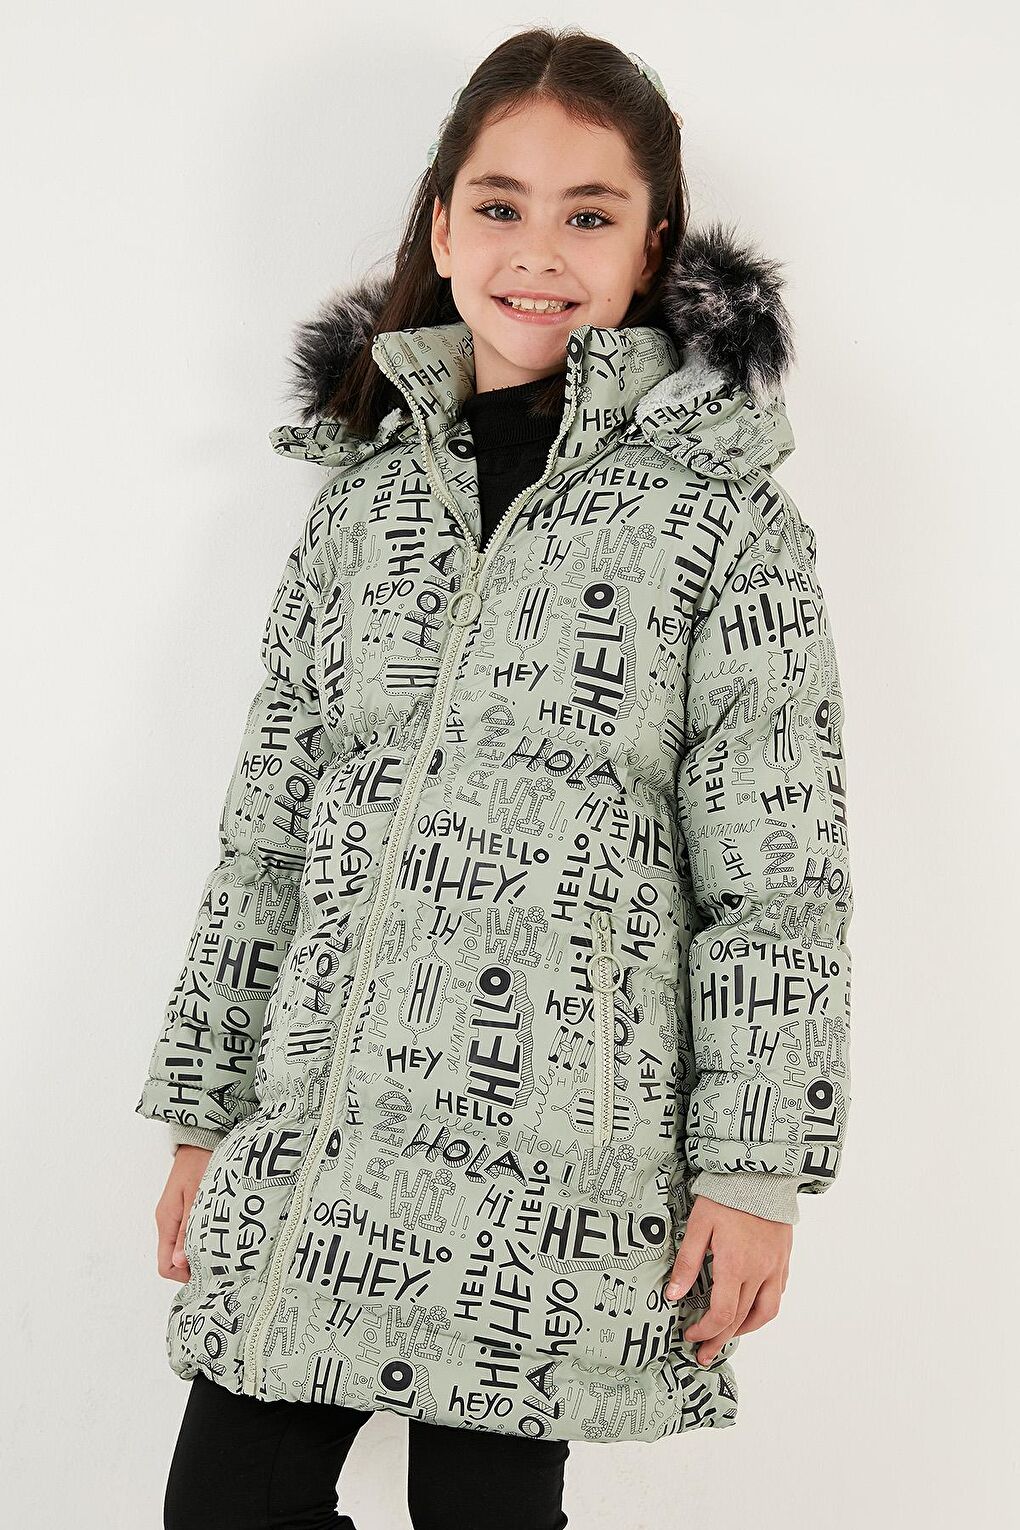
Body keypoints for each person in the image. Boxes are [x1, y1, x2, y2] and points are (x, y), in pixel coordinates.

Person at [140, 25, 854, 1530]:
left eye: (589, 213)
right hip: (327, 1127)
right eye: (500, 204)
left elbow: (779, 881)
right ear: (443, 224)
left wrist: (755, 1172)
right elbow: (266, 835)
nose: (539, 251)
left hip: (564, 1156)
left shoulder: (723, 519)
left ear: (653, 244)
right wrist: (208, 1108)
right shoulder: (362, 506)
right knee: (225, 1505)